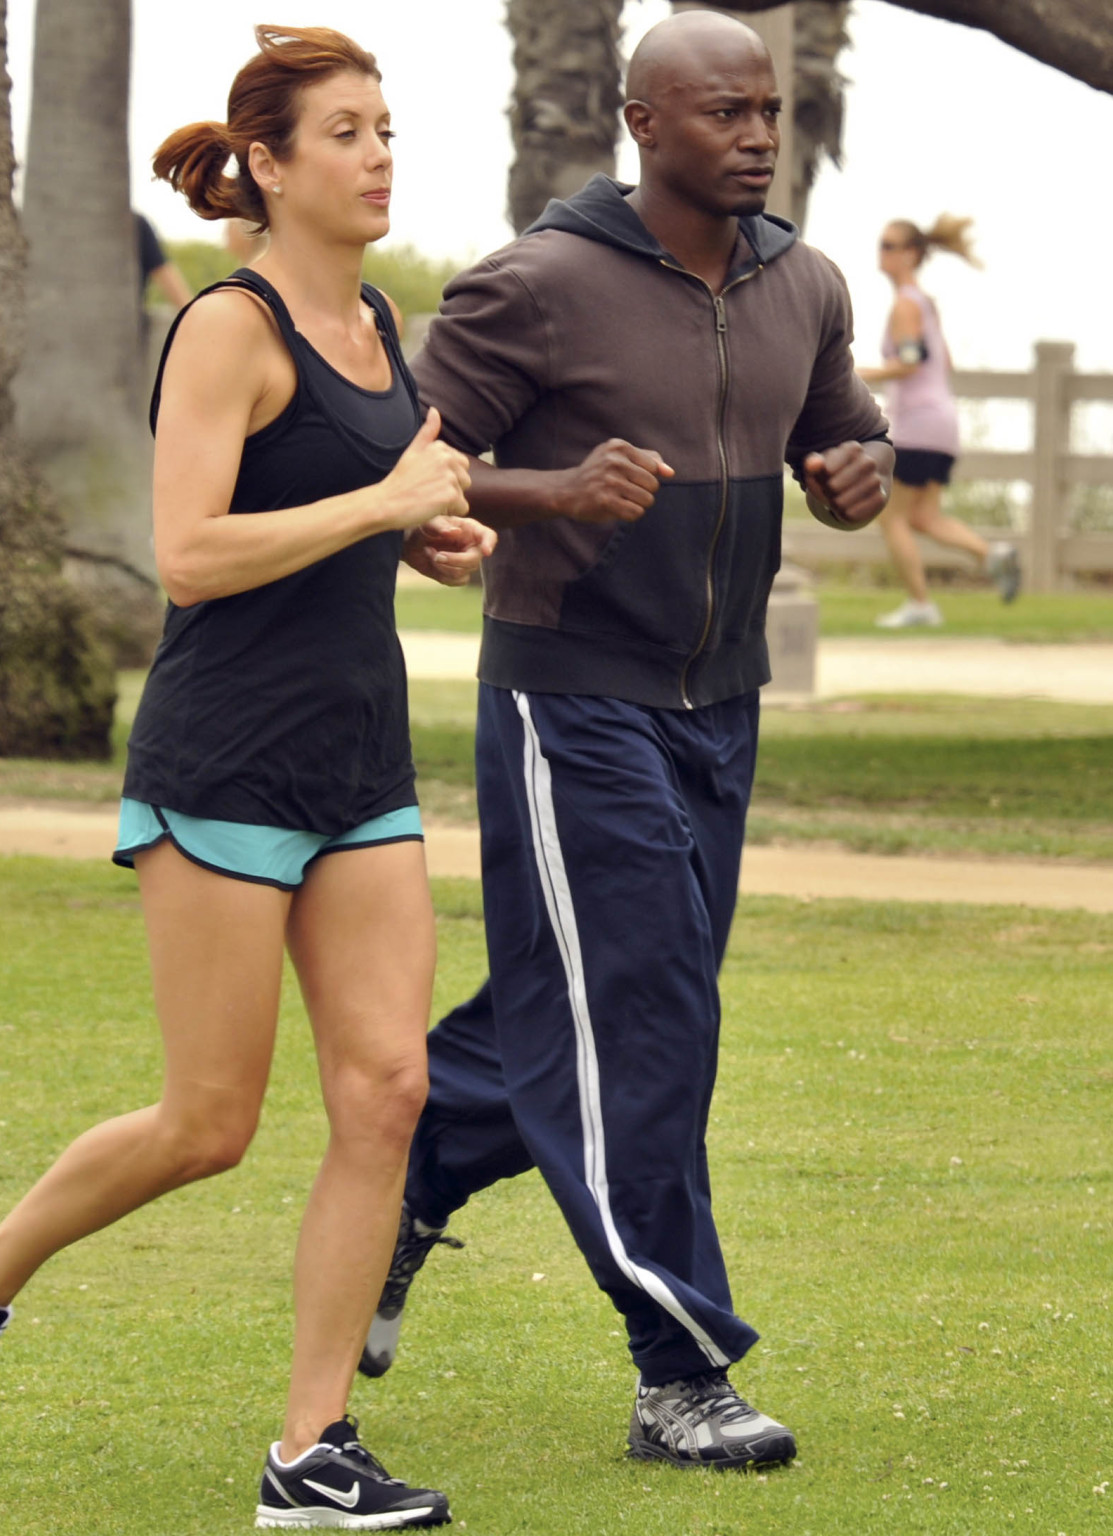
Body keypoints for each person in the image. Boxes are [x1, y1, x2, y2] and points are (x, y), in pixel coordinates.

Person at [0, 25, 494, 1530]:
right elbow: (190, 554)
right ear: (271, 167)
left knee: (387, 1088)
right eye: (346, 133)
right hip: (224, 757)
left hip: (357, 755)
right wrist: (378, 498)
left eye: (386, 127)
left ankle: (311, 1451)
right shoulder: (229, 327)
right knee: (208, 1122)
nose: (378, 155)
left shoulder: (374, 322)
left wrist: (422, 533)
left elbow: (346, 511)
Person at [356, 9, 893, 1473]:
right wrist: (548, 492)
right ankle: (681, 1366)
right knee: (645, 1013)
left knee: (604, 1001)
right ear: (643, 123)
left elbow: (842, 445)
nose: (758, 136)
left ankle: (407, 1177)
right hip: (569, 694)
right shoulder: (536, 284)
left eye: (768, 111)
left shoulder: (807, 282)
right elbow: (401, 468)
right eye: (725, 112)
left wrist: (861, 474)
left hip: (718, 705)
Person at [858, 215, 1020, 626]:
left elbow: (910, 363)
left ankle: (920, 605)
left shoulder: (906, 304)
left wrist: (858, 373)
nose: (882, 252)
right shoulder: (925, 302)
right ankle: (993, 554)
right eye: (881, 244)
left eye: (890, 245)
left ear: (911, 254)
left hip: (917, 424)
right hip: (942, 422)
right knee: (923, 517)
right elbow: (942, 360)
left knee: (891, 516)